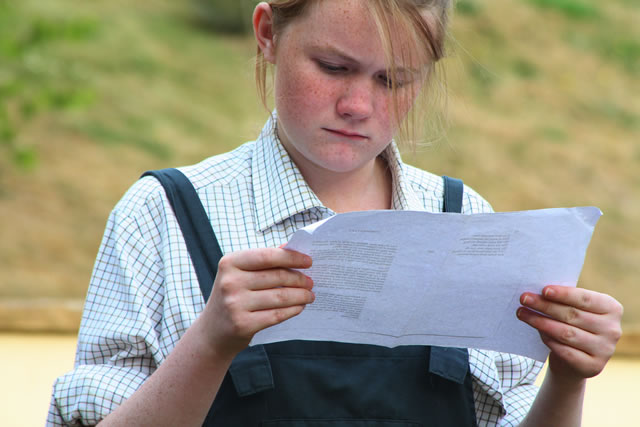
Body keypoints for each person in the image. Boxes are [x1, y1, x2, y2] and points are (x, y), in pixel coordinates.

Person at [48, 0, 623, 426]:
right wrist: (210, 343)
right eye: (332, 66)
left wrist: (569, 380)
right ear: (268, 33)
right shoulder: (164, 216)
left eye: (392, 80)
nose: (357, 105)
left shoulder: (464, 220)